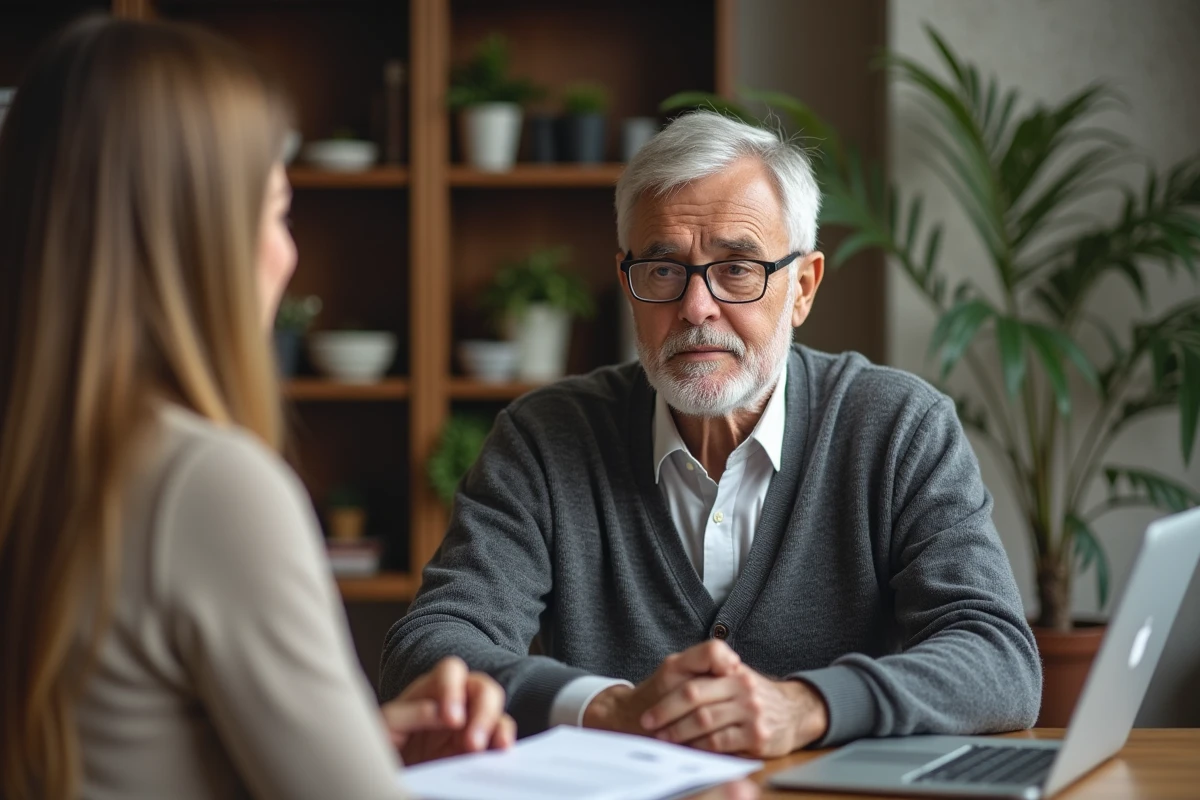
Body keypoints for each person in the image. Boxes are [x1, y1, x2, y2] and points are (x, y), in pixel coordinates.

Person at [381, 111, 1042, 757]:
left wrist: (808, 705)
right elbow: (428, 648)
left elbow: (997, 656)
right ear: (627, 283)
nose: (696, 307)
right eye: (663, 271)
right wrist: (608, 707)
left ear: (803, 287)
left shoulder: (898, 428)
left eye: (737, 269)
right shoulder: (545, 438)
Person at [0, 17, 515, 800]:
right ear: (195, 236)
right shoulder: (206, 486)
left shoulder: (43, 460)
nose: (289, 252)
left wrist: (352, 742)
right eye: (277, 212)